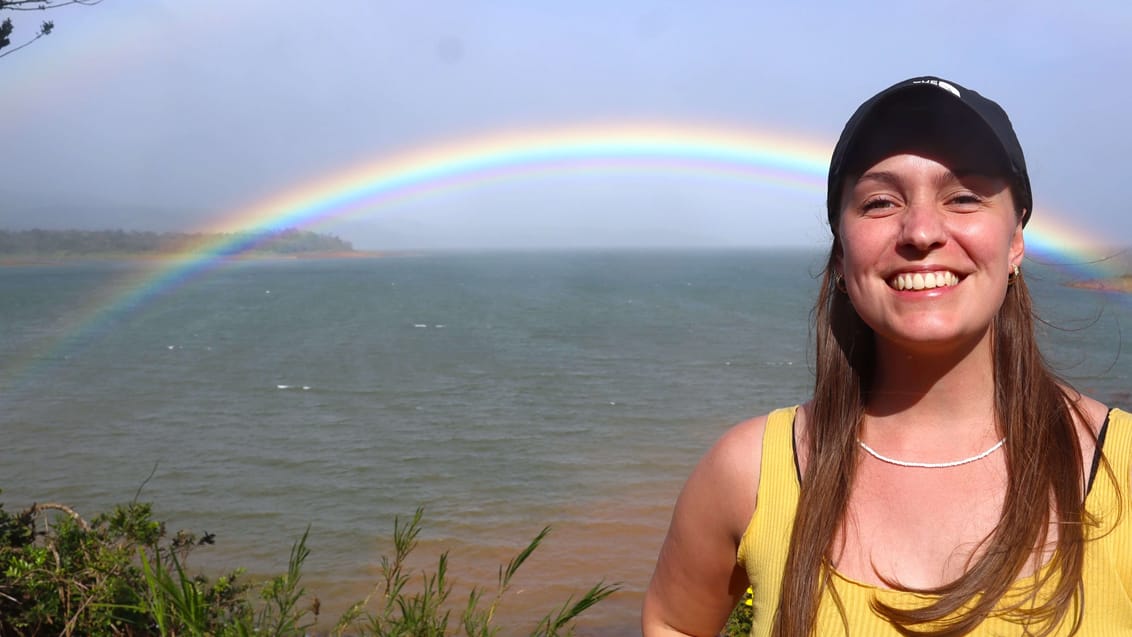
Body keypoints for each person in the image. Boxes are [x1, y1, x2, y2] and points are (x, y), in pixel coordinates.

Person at [641, 76, 1132, 636]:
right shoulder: (747, 474)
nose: (921, 231)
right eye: (879, 201)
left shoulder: (1124, 471)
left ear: (1016, 239)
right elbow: (671, 621)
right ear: (843, 255)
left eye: (965, 197)